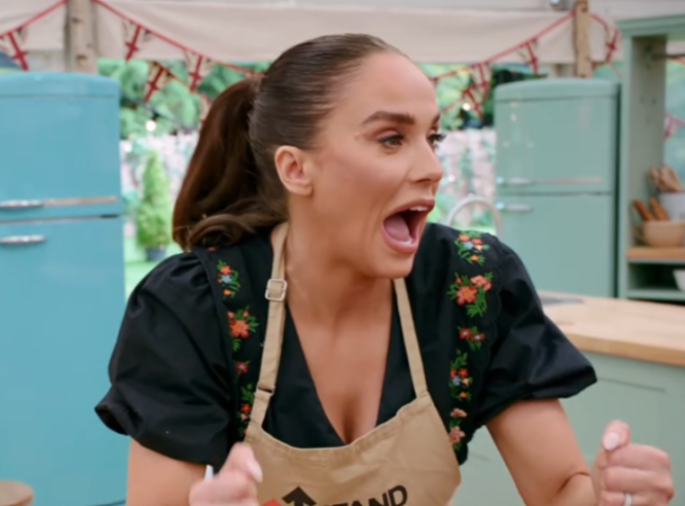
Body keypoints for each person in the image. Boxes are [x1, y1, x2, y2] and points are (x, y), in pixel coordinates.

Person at [96, 34, 675, 506]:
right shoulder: (197, 305)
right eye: (392, 138)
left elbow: (560, 490)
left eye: (433, 137)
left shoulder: (470, 286)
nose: (433, 167)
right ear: (296, 169)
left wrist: (611, 496)